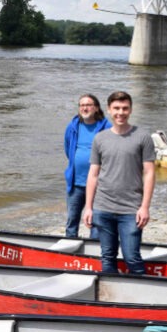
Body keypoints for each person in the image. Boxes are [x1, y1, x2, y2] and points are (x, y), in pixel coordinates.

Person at [82, 91, 155, 275]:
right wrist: (88, 207)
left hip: (131, 209)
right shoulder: (100, 138)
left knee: (132, 257)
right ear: (108, 110)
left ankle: (143, 295)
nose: (120, 113)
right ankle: (111, 297)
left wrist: (145, 207)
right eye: (116, 108)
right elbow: (93, 174)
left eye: (124, 108)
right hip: (103, 207)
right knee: (107, 256)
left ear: (130, 110)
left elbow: (149, 173)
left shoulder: (143, 137)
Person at [63, 94, 111, 238]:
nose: (85, 108)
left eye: (88, 105)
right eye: (82, 105)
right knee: (72, 220)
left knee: (96, 222)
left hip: (99, 184)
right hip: (75, 182)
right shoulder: (73, 126)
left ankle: (94, 252)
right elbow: (67, 148)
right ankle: (70, 251)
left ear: (96, 108)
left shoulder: (106, 127)